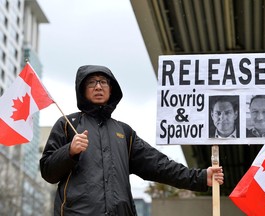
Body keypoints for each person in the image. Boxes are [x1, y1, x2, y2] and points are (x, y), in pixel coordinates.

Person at [40, 65, 224, 216]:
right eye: (91, 82)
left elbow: (159, 165)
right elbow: (48, 171)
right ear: (82, 89)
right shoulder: (67, 124)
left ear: (111, 89)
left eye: (103, 82)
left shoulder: (124, 132)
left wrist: (199, 177)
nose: (98, 87)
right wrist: (69, 152)